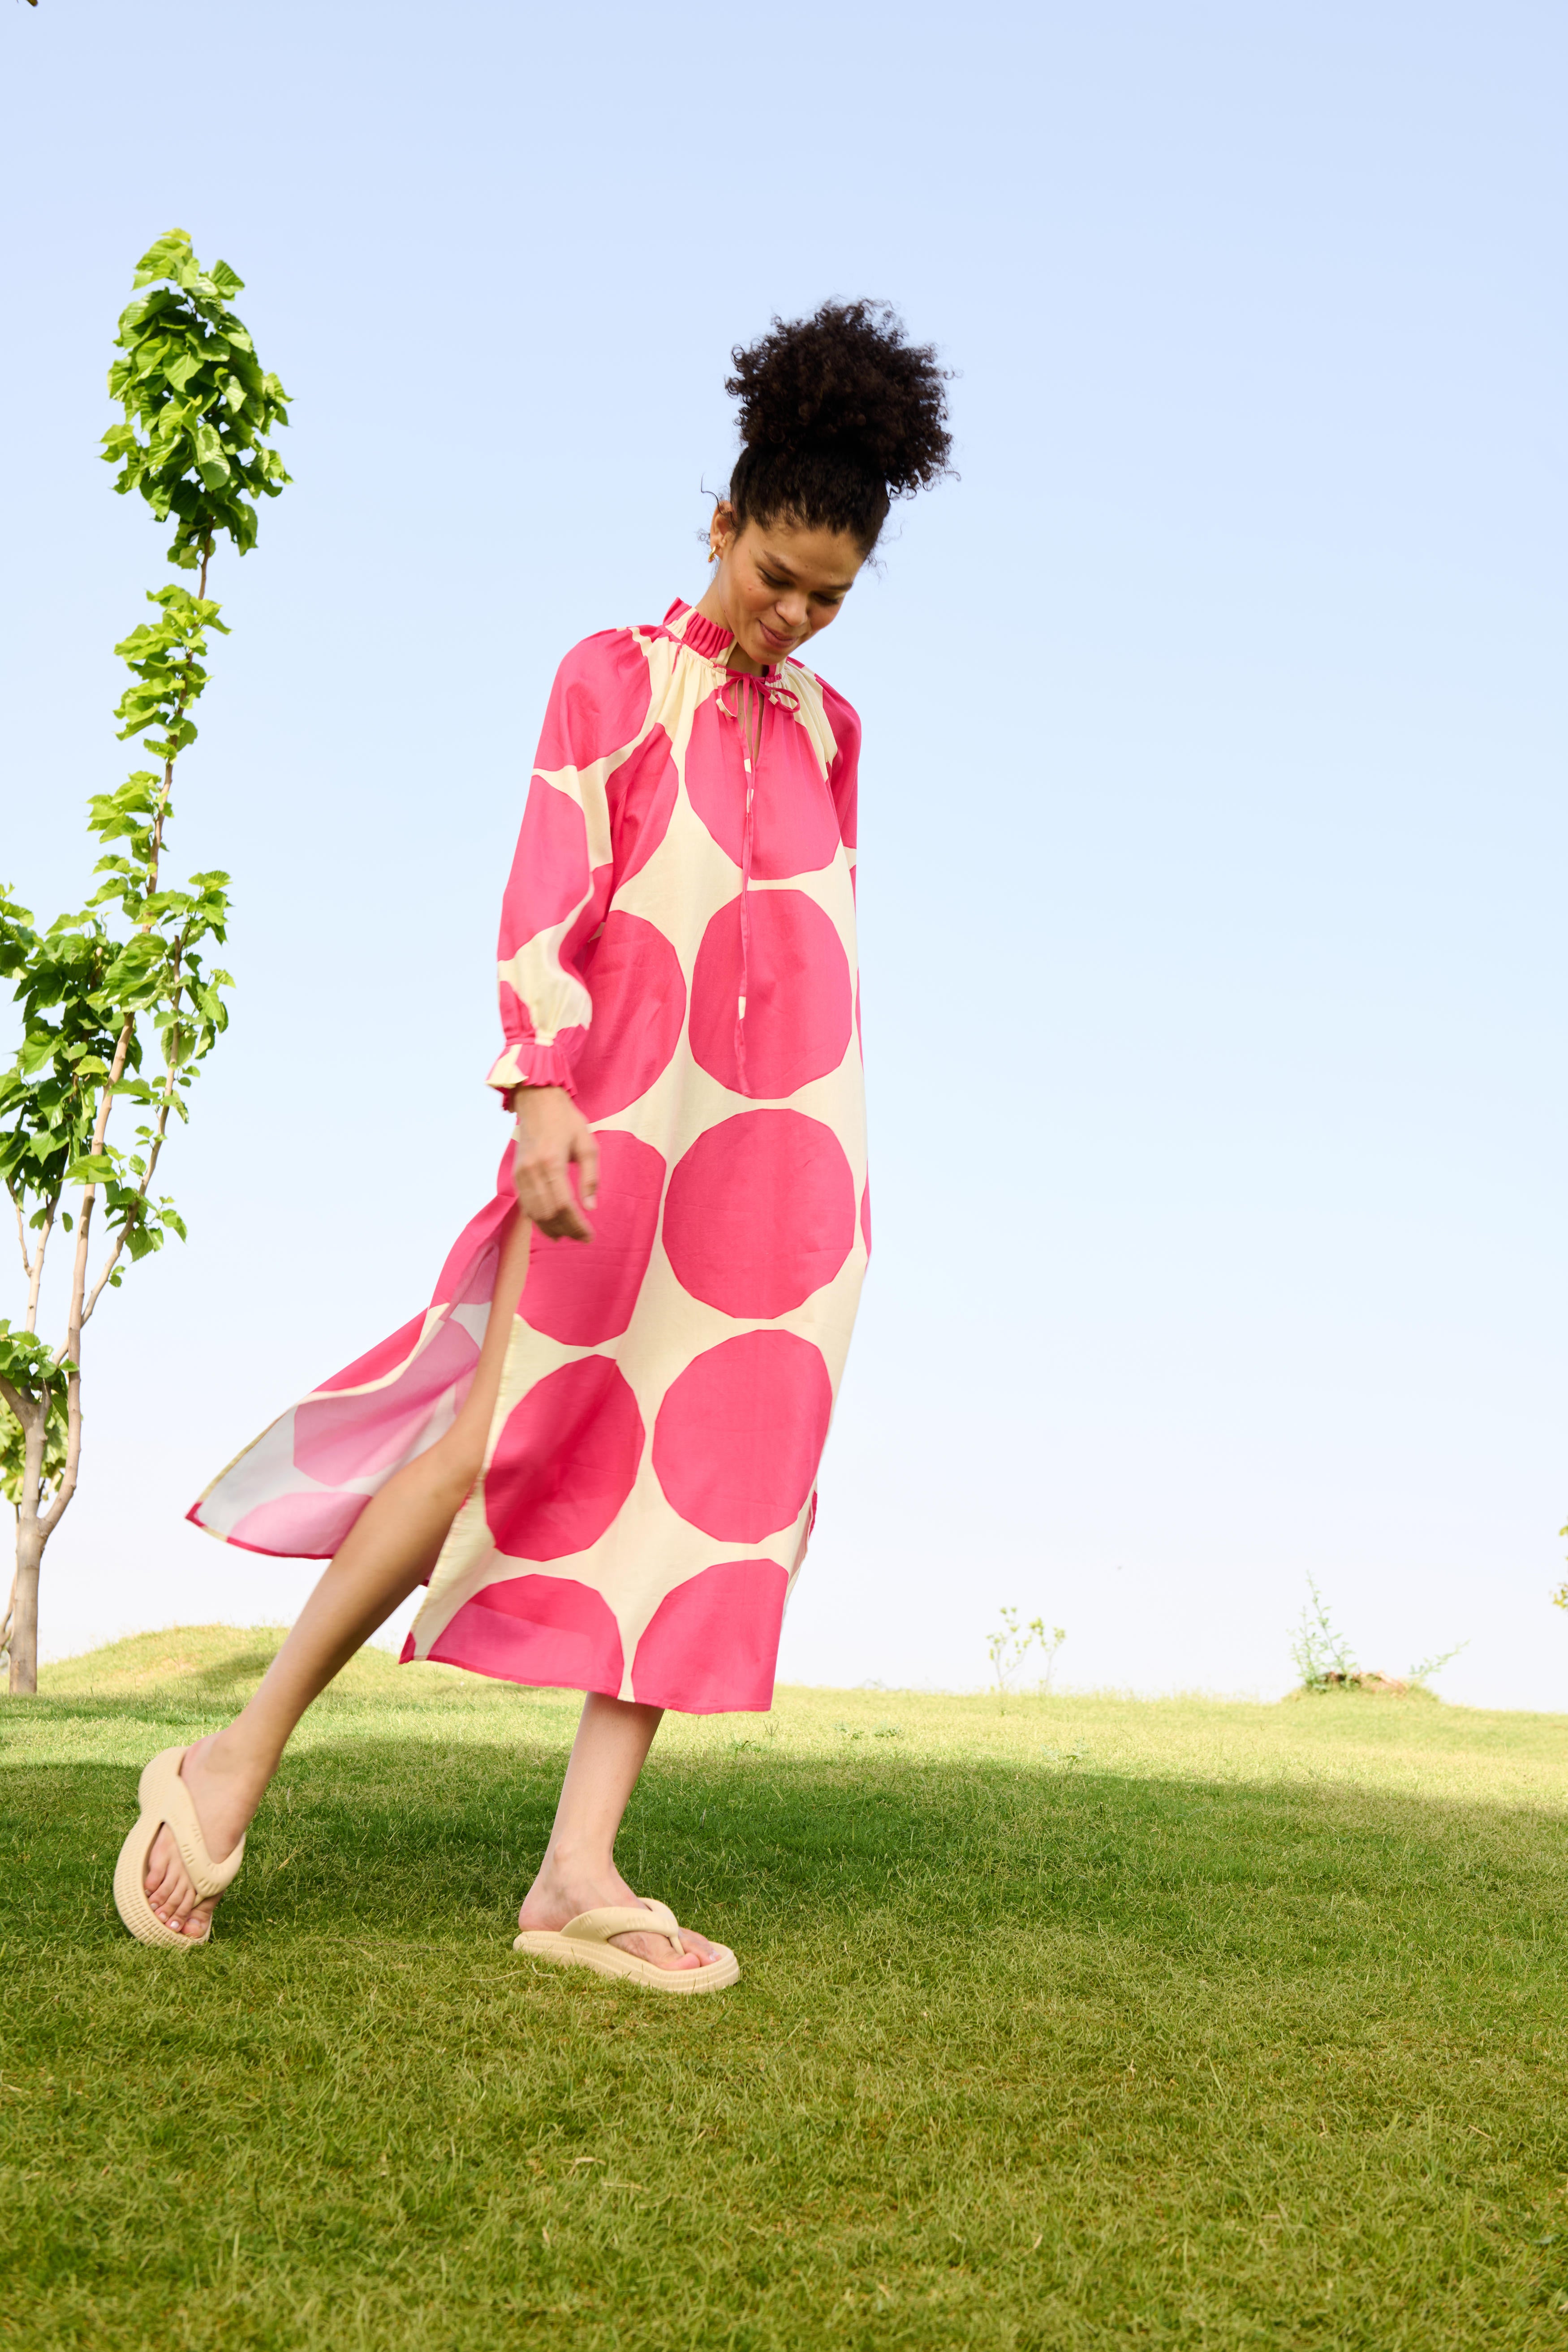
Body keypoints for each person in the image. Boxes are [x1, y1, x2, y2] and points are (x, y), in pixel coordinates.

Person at [113, 300, 953, 1990]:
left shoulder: (830, 730)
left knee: (713, 1489)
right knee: (493, 1435)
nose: (794, 616)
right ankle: (227, 1758)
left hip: (779, 1156)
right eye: (775, 575)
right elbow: (546, 888)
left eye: (829, 596)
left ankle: (577, 1870)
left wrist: (834, 1177)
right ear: (719, 524)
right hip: (611, 1122)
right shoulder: (612, 677)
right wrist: (543, 1089)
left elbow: (815, 939)